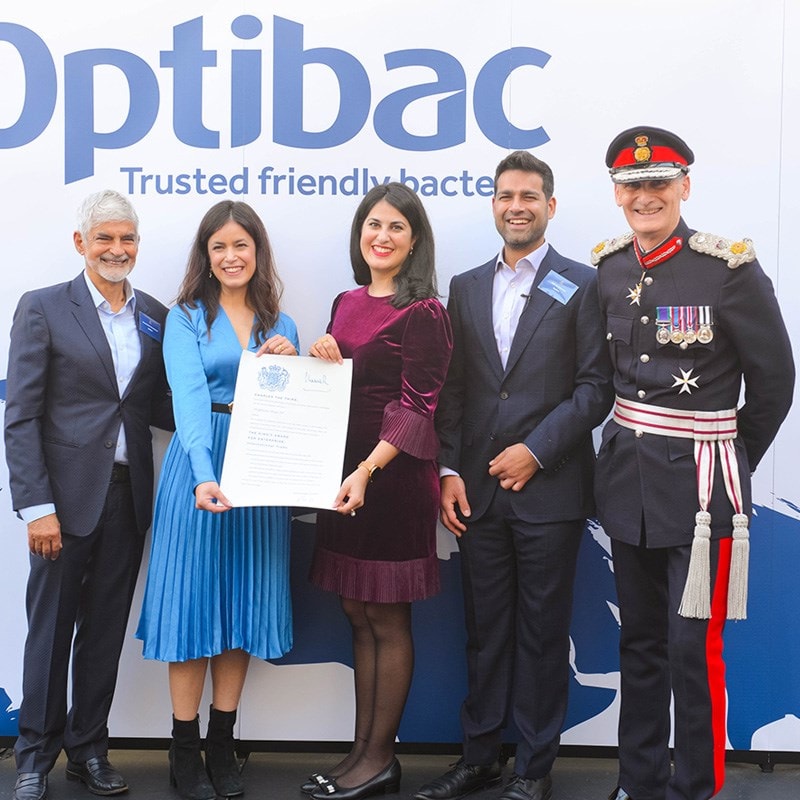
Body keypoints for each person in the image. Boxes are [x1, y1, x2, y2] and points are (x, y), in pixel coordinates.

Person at [592, 125, 794, 800]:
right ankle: (640, 781)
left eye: (657, 183)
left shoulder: (727, 270)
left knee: (690, 649)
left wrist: (727, 459)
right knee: (639, 645)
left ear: (684, 186)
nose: (644, 196)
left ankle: (692, 787)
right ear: (617, 194)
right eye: (631, 186)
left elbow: (775, 381)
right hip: (626, 483)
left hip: (703, 494)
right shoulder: (611, 268)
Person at [414, 151, 613, 800]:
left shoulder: (582, 284)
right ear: (494, 205)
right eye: (505, 195)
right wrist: (447, 469)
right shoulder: (466, 287)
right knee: (484, 632)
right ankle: (479, 758)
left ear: (550, 206)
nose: (517, 205)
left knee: (542, 634)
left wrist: (536, 449)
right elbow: (457, 389)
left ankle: (533, 766)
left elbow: (594, 390)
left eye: (530, 195)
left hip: (549, 489)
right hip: (477, 494)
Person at [3, 190, 174, 800]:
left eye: (127, 238)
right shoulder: (45, 307)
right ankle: (32, 757)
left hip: (129, 501)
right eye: (104, 238)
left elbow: (156, 404)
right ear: (81, 243)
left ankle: (89, 750)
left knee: (103, 632)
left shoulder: (155, 314)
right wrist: (37, 506)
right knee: (49, 631)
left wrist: (249, 405)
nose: (117, 249)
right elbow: (20, 416)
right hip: (63, 504)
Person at [135, 200, 298, 800]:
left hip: (261, 469)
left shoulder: (281, 322)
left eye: (241, 246)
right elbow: (188, 400)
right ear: (206, 256)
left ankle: (224, 743)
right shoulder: (185, 317)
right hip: (198, 467)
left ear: (258, 252)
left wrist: (300, 363)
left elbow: (292, 409)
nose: (231, 257)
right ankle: (184, 746)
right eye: (219, 247)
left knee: (240, 607)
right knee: (195, 605)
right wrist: (204, 474)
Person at [300, 182, 453, 800]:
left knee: (387, 618)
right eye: (373, 225)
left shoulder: (425, 312)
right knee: (356, 613)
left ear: (415, 241)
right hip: (345, 477)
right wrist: (320, 357)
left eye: (395, 227)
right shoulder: (346, 300)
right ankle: (361, 755)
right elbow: (344, 387)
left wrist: (366, 470)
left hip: (388, 481)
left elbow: (419, 407)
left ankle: (380, 759)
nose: (381, 237)